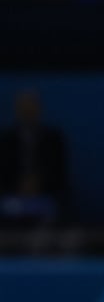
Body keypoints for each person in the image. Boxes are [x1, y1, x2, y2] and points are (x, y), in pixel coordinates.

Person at [0, 87, 70, 227]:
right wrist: (19, 186)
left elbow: (59, 171)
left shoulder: (53, 139)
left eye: (31, 107)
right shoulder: (6, 140)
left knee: (52, 210)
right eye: (24, 108)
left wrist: (38, 184)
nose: (28, 112)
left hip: (46, 194)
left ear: (39, 109)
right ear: (17, 110)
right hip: (13, 195)